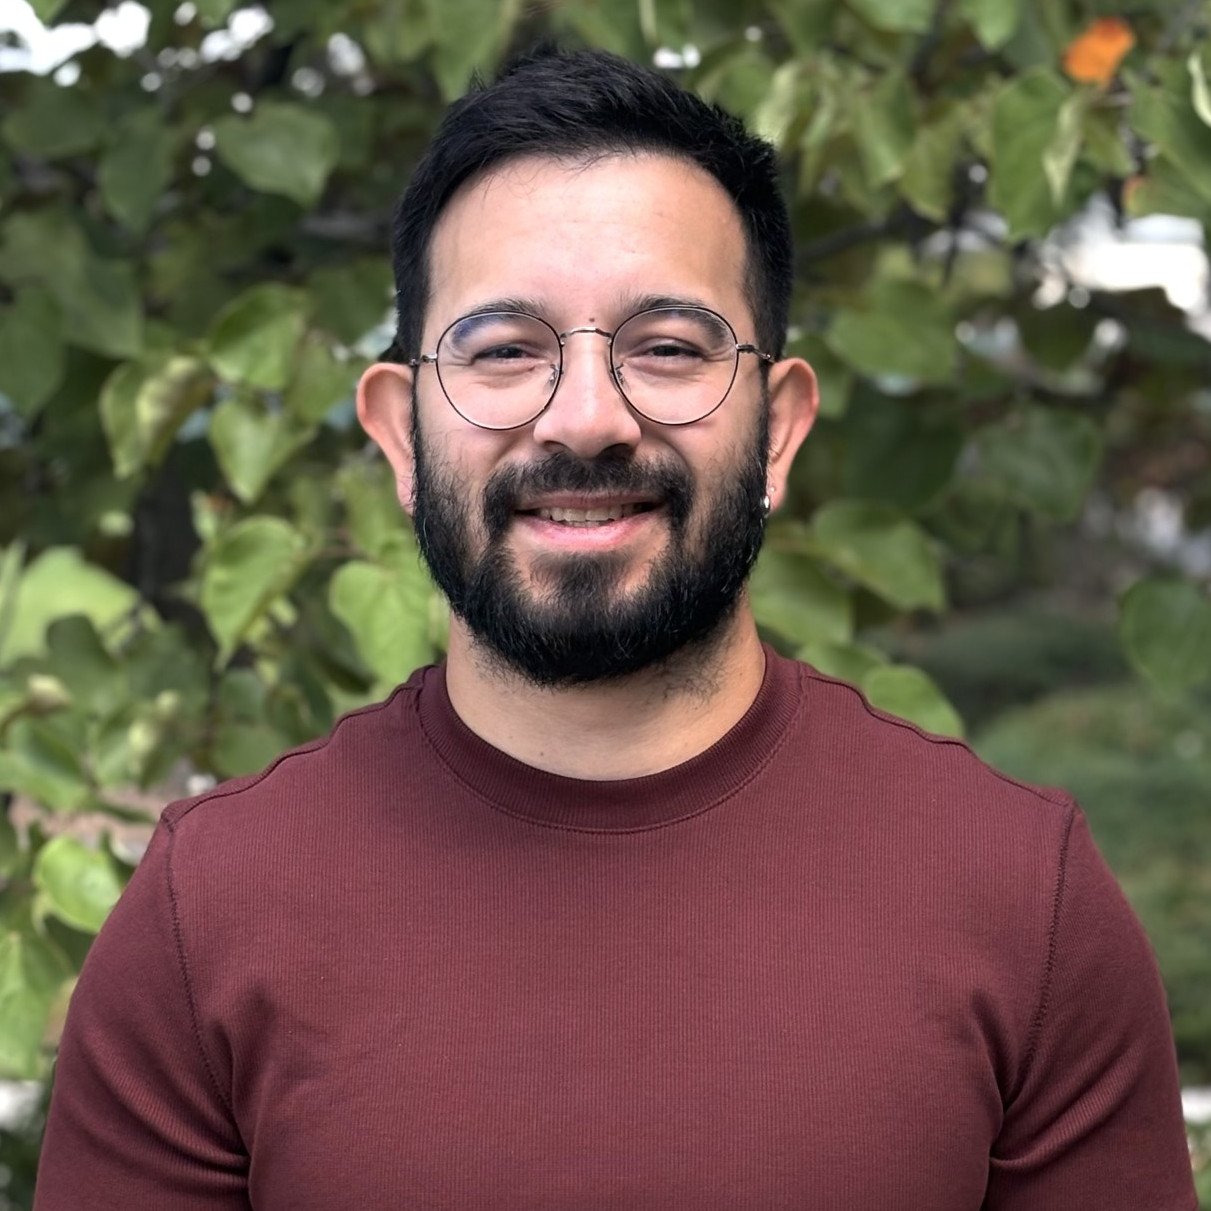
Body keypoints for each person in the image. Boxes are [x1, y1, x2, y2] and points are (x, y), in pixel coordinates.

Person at [36, 46, 1195, 1211]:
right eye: (502, 351)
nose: (586, 418)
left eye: (667, 348)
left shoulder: (1017, 896)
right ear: (398, 435)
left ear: (778, 429)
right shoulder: (211, 913)